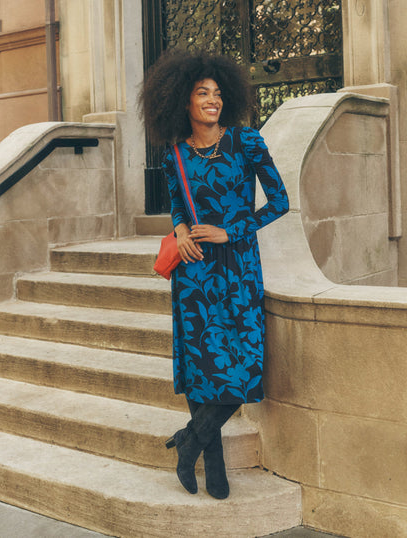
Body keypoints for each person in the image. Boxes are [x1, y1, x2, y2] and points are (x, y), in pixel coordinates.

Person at [139, 50, 289, 499]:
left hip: (238, 269)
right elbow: (179, 207)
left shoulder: (246, 143)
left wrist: (231, 231)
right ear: (183, 102)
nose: (212, 101)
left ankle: (189, 441)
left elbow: (279, 201)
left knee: (242, 371)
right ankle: (214, 468)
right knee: (203, 369)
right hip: (194, 273)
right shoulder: (175, 154)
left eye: (217, 94)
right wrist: (181, 230)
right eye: (202, 94)